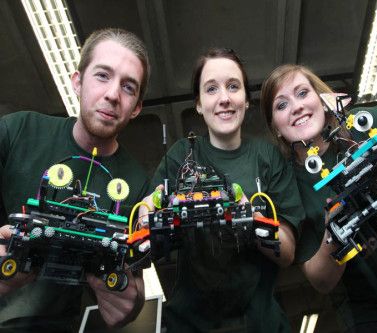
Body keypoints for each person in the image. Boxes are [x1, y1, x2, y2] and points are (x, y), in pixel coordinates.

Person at [260, 64, 377, 332]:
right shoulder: (287, 184)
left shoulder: (364, 124)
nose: (296, 107)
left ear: (323, 101)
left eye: (302, 93)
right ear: (275, 128)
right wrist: (333, 234)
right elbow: (321, 282)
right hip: (375, 315)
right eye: (281, 105)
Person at [0, 28, 151, 332]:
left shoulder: (137, 184)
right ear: (77, 82)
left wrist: (129, 304)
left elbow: (134, 284)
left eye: (128, 86)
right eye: (102, 75)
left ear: (136, 108)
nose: (112, 94)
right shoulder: (17, 132)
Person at [146, 48, 305, 332]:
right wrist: (147, 214)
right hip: (190, 324)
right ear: (198, 104)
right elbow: (148, 225)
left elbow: (288, 252)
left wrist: (248, 216)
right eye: (211, 89)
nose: (224, 99)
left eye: (233, 86)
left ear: (246, 101)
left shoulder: (267, 158)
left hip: (261, 323)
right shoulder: (181, 155)